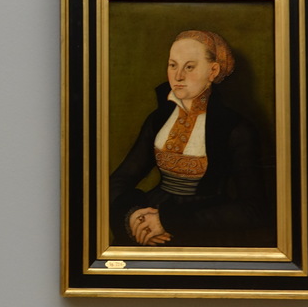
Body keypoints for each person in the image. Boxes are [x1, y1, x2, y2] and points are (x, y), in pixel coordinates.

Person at [108, 29, 273, 248]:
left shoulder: (236, 129)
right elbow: (119, 180)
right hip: (150, 215)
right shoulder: (159, 119)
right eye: (172, 65)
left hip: (202, 224)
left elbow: (253, 209)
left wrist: (169, 221)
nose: (178, 76)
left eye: (189, 67)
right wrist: (133, 215)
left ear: (213, 71)